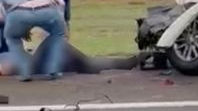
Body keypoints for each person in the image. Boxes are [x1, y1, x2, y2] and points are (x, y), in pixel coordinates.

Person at [0, 0, 67, 81]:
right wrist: (60, 16)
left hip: (19, 12)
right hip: (48, 9)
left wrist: (8, 22)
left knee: (12, 38)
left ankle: (25, 72)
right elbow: (59, 0)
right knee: (59, 34)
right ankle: (53, 70)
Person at [0, 38, 137, 76]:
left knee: (81, 62)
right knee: (55, 41)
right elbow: (5, 68)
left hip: (36, 61)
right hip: (30, 67)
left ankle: (126, 63)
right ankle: (125, 63)